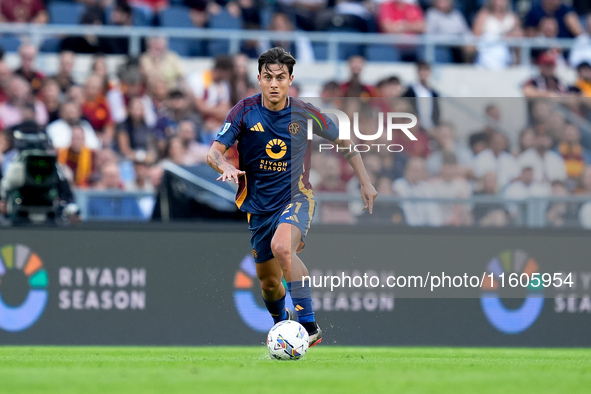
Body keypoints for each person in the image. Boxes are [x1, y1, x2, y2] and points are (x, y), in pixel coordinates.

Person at [207, 47, 377, 346]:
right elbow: (214, 152)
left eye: (281, 78)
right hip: (258, 208)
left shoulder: (303, 112)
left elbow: (344, 140)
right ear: (259, 79)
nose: (274, 83)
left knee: (282, 247)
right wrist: (225, 166)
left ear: (290, 80)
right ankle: (282, 329)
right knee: (270, 284)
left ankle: (309, 328)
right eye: (268, 77)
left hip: (296, 198)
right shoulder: (243, 111)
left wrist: (365, 182)